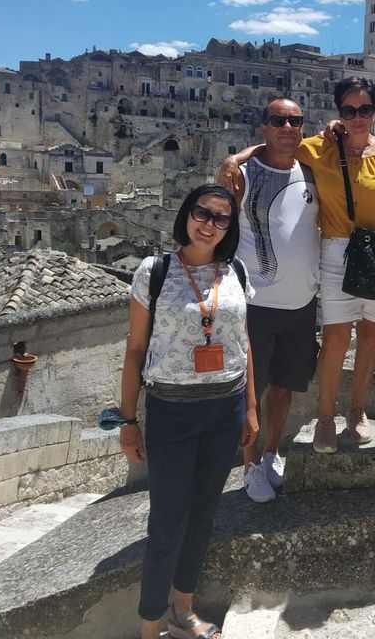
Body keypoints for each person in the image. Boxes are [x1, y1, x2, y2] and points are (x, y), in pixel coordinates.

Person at [222, 78, 375, 455]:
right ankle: (326, 417)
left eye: (365, 110)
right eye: (349, 111)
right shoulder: (320, 147)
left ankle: (356, 410)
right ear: (339, 113)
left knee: (371, 336)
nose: (357, 118)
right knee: (337, 338)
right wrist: (235, 159)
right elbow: (276, 144)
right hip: (339, 251)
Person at [119, 184, 259, 639]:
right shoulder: (154, 272)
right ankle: (150, 626)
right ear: (187, 214)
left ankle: (184, 609)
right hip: (172, 411)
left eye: (222, 218)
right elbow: (136, 348)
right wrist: (127, 420)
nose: (210, 224)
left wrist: (251, 408)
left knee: (203, 515)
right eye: (203, 213)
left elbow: (244, 342)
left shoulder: (235, 269)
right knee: (166, 522)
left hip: (226, 408)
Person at [229, 98, 320, 502]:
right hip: (255, 304)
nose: (288, 126)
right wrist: (237, 157)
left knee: (283, 387)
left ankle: (271, 453)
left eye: (295, 120)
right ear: (263, 127)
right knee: (250, 390)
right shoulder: (243, 175)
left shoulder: (313, 172)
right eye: (278, 120)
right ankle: (248, 466)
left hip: (301, 304)